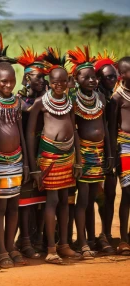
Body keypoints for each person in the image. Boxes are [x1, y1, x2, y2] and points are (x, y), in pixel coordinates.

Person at [26, 47, 82, 264]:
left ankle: (65, 244)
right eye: (55, 83)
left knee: (65, 201)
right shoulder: (41, 103)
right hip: (49, 156)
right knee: (52, 200)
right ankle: (51, 248)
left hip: (68, 156)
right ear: (50, 83)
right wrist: (33, 166)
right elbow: (31, 134)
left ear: (68, 82)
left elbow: (74, 131)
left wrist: (78, 160)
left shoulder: (69, 102)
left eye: (63, 82)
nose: (59, 86)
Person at [0, 33, 29, 268]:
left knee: (14, 205)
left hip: (17, 160)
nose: (8, 85)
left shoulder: (18, 102)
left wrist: (27, 163)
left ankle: (10, 246)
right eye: (3, 82)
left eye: (11, 81)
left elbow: (20, 131)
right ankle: (0, 250)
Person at [67, 45, 112, 259]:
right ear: (77, 80)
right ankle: (82, 241)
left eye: (94, 76)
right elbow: (73, 131)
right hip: (83, 153)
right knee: (82, 199)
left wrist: (109, 155)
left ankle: (92, 239)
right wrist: (77, 157)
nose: (93, 80)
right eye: (87, 78)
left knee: (95, 197)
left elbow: (105, 127)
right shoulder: (74, 100)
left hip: (100, 153)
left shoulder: (100, 98)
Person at [15, 46, 47, 258]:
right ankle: (24, 240)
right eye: (37, 78)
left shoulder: (47, 99)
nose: (41, 81)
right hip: (26, 152)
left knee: (42, 199)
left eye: (43, 77)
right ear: (26, 79)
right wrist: (28, 163)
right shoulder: (20, 101)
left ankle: (39, 238)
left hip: (45, 152)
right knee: (25, 200)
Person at [93, 50, 118, 255]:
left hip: (111, 151)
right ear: (98, 77)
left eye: (114, 76)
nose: (112, 79)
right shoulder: (98, 97)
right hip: (95, 152)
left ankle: (105, 234)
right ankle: (93, 237)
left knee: (108, 195)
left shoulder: (112, 97)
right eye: (108, 76)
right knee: (93, 196)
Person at [109, 56, 130, 256]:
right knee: (127, 192)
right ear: (122, 75)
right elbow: (112, 127)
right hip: (124, 146)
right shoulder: (117, 98)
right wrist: (113, 154)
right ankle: (123, 238)